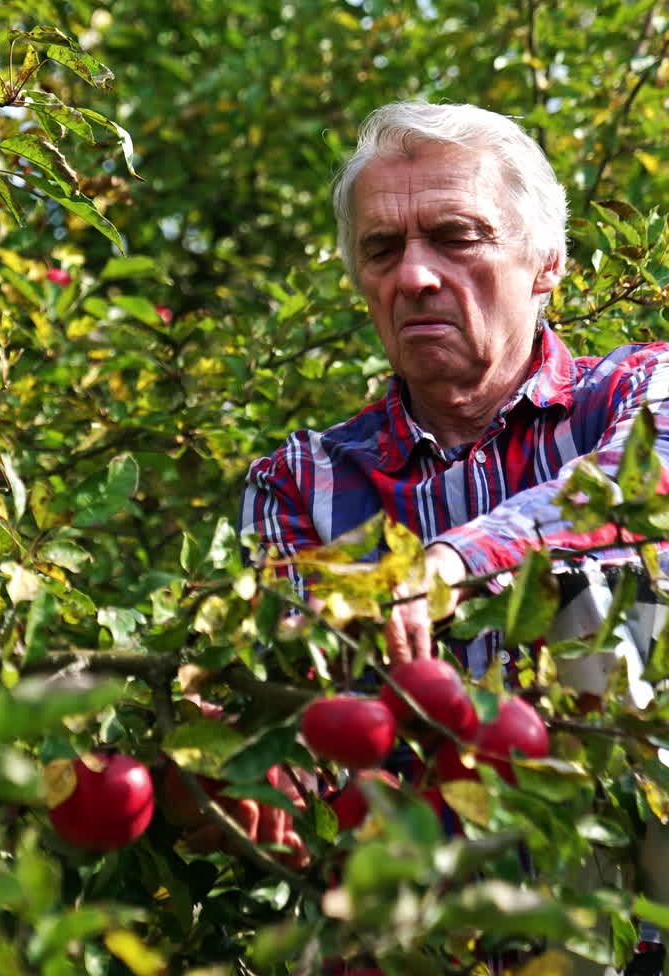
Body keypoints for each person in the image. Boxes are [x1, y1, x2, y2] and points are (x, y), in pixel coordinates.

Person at [239, 101, 669, 973]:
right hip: (436, 918)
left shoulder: (635, 390)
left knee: (597, 605)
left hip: (643, 892)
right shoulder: (302, 484)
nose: (416, 277)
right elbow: (305, 704)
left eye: (455, 236)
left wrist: (448, 561)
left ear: (548, 263)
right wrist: (243, 754)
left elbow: (637, 487)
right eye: (382, 250)